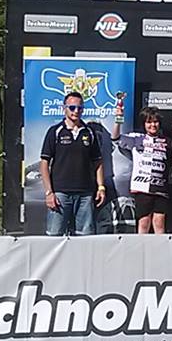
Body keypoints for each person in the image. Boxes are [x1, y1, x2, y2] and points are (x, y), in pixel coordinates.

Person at [40, 91, 105, 236]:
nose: (76, 111)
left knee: (85, 237)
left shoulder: (89, 132)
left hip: (85, 194)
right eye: (72, 107)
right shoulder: (55, 131)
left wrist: (101, 187)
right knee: (54, 236)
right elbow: (44, 163)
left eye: (80, 108)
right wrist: (49, 192)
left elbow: (98, 162)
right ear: (64, 108)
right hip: (60, 193)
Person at [113, 105, 172, 234]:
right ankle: (141, 247)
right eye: (149, 122)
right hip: (142, 188)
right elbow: (116, 138)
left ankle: (160, 247)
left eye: (155, 122)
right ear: (144, 124)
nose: (153, 125)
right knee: (144, 223)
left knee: (159, 223)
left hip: (161, 189)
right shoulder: (137, 138)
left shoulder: (167, 141)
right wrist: (118, 119)